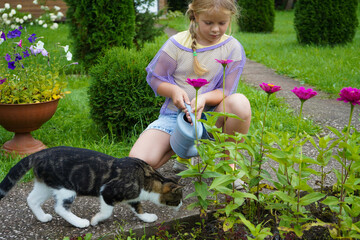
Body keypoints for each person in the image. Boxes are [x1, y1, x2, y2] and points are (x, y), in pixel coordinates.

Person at [129, 0, 251, 186]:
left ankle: (229, 167)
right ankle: (182, 149)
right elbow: (156, 78)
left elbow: (226, 90)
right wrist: (174, 90)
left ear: (230, 19)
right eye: (208, 23)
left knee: (240, 103)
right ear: (195, 16)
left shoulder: (232, 47)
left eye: (222, 23)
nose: (216, 29)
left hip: (211, 118)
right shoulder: (177, 44)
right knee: (136, 164)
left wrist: (203, 98)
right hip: (175, 118)